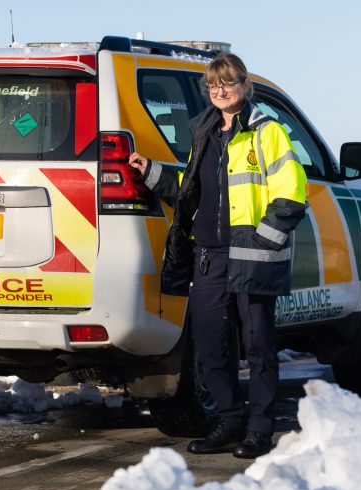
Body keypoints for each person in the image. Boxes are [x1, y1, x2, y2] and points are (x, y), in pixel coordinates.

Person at [129, 53, 307, 459]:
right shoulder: (205, 131)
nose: (220, 91)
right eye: (213, 85)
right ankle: (228, 421)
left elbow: (291, 192)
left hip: (253, 255)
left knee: (258, 346)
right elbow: (190, 188)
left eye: (227, 83)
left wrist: (264, 241)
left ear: (245, 85)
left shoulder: (267, 132)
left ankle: (260, 429)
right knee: (211, 345)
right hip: (209, 256)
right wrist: (151, 172)